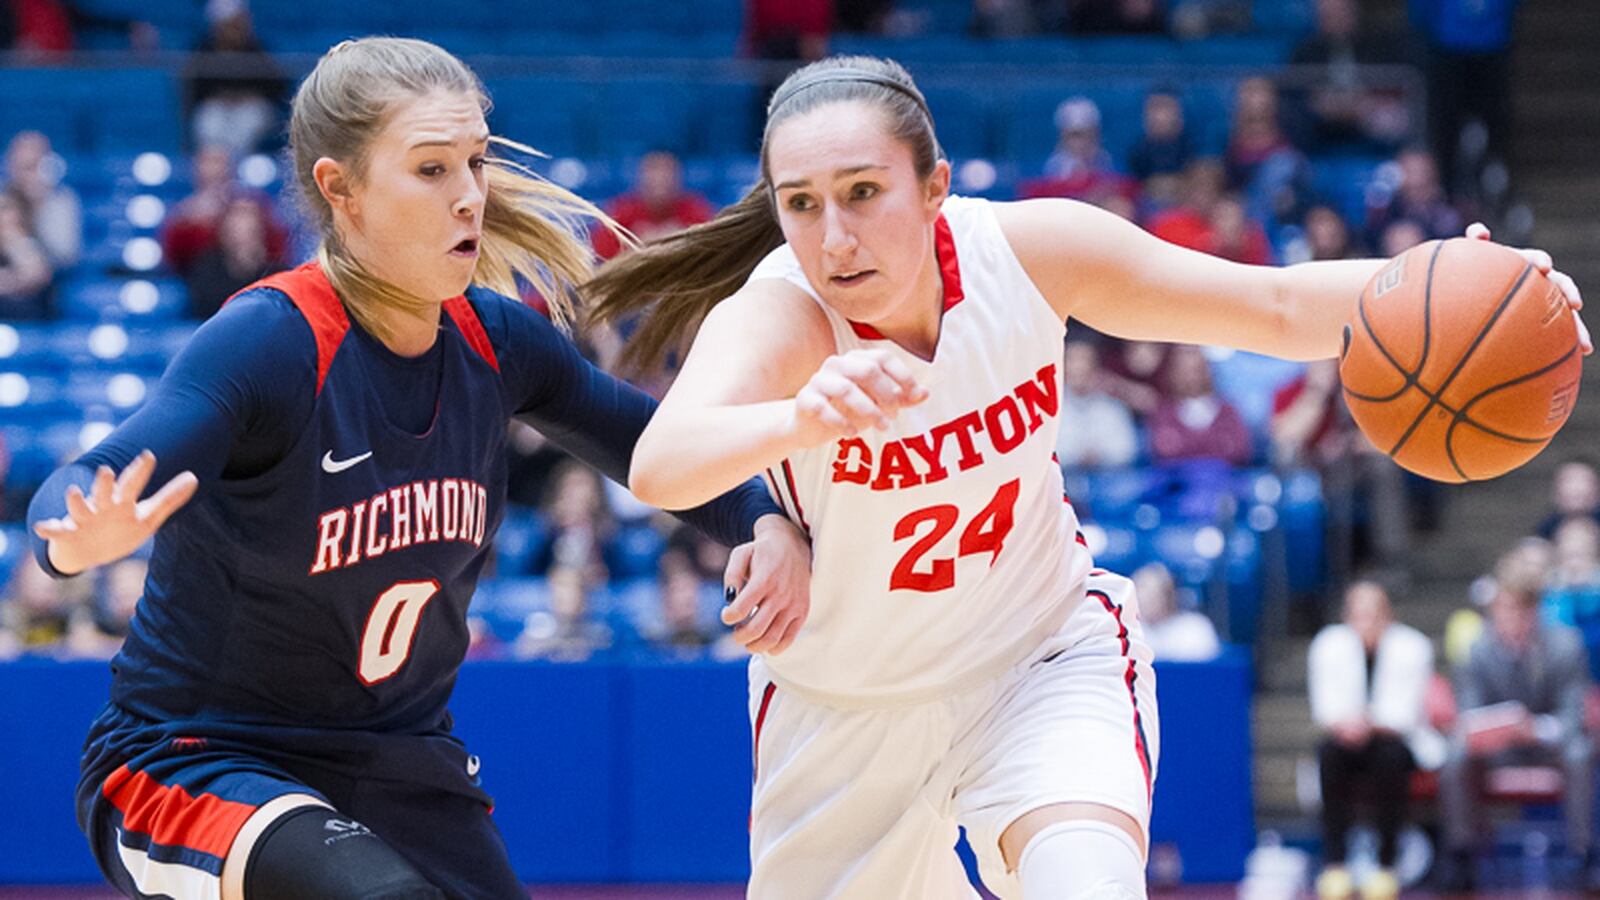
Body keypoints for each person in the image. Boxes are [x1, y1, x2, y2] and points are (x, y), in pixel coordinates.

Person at [582, 54, 1587, 898]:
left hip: (1039, 656)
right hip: (845, 705)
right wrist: (797, 416)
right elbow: (665, 464)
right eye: (801, 205)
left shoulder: (1030, 251)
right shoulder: (782, 312)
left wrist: (1483, 286)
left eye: (861, 193)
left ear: (934, 188)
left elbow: (1274, 309)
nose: (833, 235)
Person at [28, 37, 811, 900]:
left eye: (475, 162)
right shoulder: (273, 342)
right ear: (341, 189)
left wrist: (763, 521)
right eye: (432, 170)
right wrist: (72, 539)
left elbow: (659, 451)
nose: (471, 196)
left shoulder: (499, 342)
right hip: (197, 759)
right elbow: (88, 480)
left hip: (398, 763)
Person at [1436, 562, 1599, 893]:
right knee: (1455, 755)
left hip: (1548, 747)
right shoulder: (1478, 650)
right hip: (1499, 749)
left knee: (1581, 752)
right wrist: (1500, 727)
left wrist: (1536, 729)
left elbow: (1572, 713)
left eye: (1514, 610)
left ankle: (1587, 854)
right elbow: (1469, 712)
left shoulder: (1565, 646)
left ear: (1532, 611)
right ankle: (1460, 853)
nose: (1506, 618)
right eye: (1500, 609)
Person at [1307, 580, 1438, 900]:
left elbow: (1406, 713)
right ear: (1347, 616)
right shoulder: (1327, 644)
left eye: (1373, 613)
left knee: (1389, 757)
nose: (1367, 621)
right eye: (1359, 613)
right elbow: (1325, 708)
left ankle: (1386, 864)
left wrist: (1369, 721)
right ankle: (1335, 864)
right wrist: (1347, 724)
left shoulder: (1414, 646)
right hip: (1346, 738)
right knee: (1328, 754)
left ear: (1387, 615)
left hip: (1396, 739)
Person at [1056, 339, 1139, 469]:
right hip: (1065, 477)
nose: (1078, 367)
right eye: (1072, 361)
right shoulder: (1051, 409)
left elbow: (1127, 450)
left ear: (1095, 367)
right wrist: (1077, 456)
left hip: (1108, 478)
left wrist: (1099, 455)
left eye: (1084, 361)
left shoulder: (1112, 408)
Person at [1131, 562, 1219, 662]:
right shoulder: (1128, 632)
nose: (1144, 599)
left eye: (1152, 594)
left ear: (1167, 595)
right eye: (1139, 592)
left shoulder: (1196, 628)